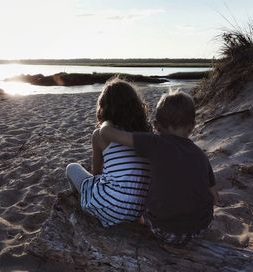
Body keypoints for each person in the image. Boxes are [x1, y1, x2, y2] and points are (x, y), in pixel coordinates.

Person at [100, 90, 218, 244]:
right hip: (200, 229)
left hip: (165, 231)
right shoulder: (200, 155)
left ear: (156, 125)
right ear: (192, 126)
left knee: (144, 207)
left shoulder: (154, 143)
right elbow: (214, 196)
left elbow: (107, 133)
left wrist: (106, 121)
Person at [66, 79, 151, 227]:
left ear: (104, 109)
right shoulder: (145, 137)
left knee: (71, 168)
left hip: (108, 209)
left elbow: (97, 174)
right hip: (136, 211)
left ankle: (83, 200)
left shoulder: (100, 135)